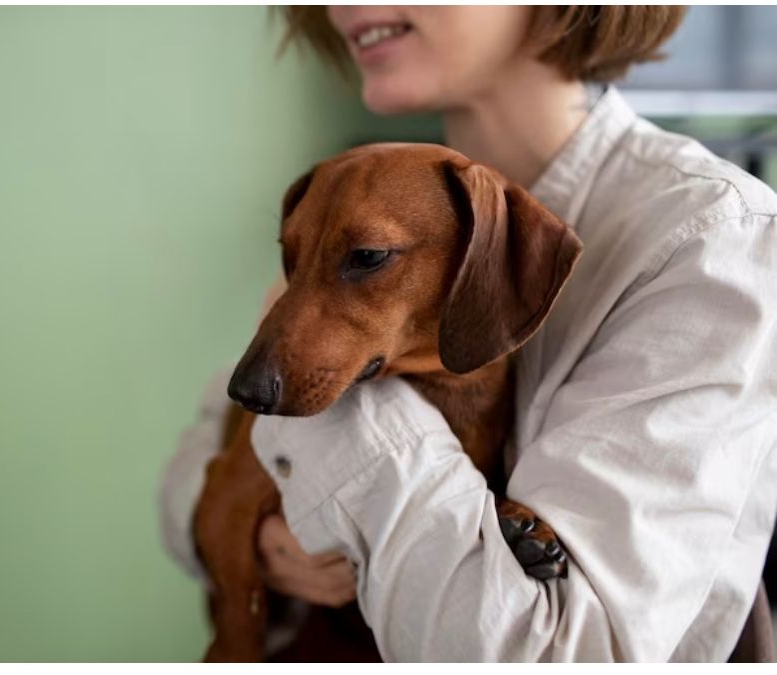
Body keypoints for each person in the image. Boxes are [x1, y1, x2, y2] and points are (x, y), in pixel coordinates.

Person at [159, 5, 777, 661]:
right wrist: (259, 546)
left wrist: (358, 407)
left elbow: (550, 653)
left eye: (370, 259)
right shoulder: (364, 198)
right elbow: (190, 479)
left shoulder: (708, 236)